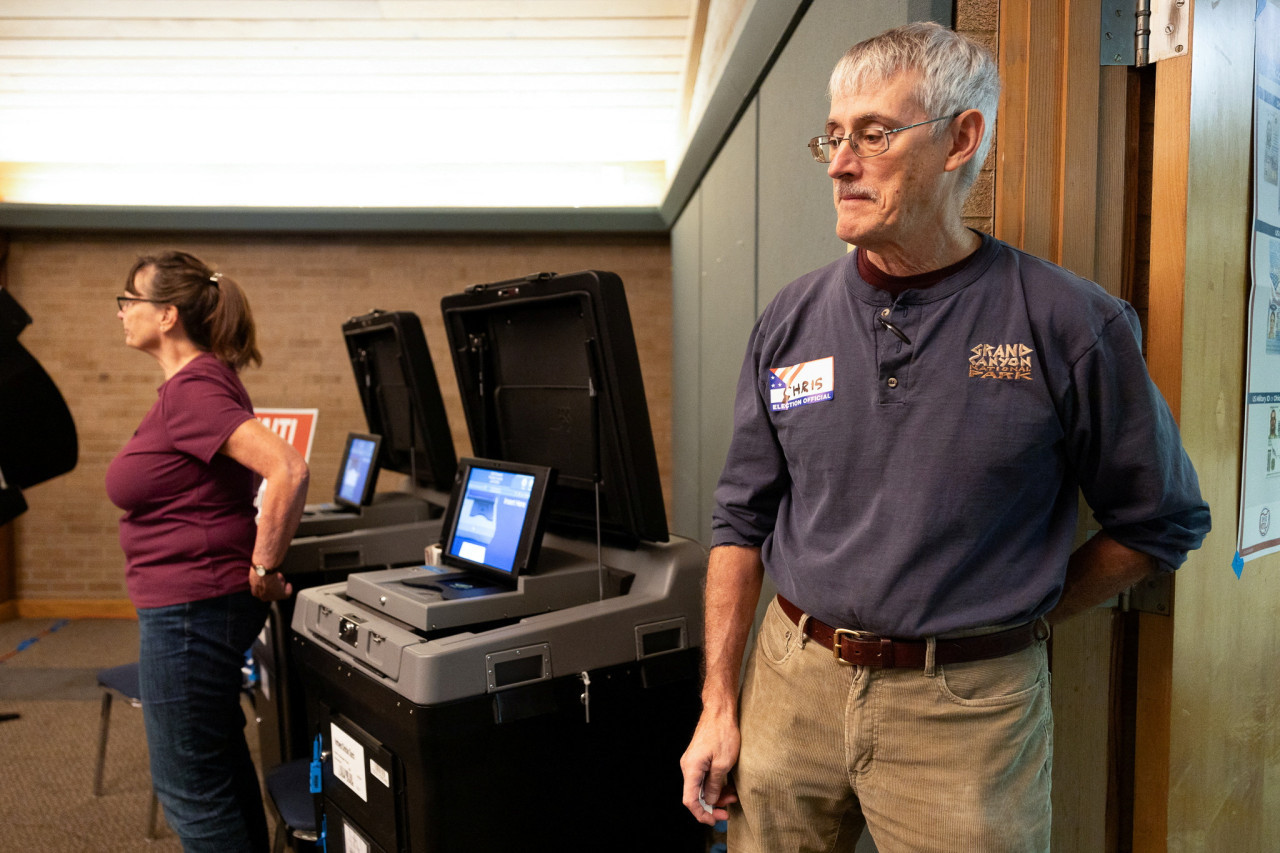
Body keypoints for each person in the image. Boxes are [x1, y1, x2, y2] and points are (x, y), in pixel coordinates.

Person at [678, 21, 1210, 853]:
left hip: (966, 716)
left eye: (875, 134)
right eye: (834, 137)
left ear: (962, 138)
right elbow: (740, 521)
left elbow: (1162, 521)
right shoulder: (791, 318)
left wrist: (1022, 619)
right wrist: (719, 702)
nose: (842, 163)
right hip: (792, 683)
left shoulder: (1070, 324)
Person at [106, 251, 309, 852]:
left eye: (129, 300)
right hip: (195, 605)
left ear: (167, 315)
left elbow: (288, 468)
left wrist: (266, 567)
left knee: (189, 791)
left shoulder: (195, 388)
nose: (121, 312)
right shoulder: (196, 385)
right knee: (212, 772)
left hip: (192, 610)